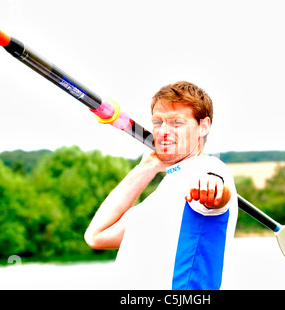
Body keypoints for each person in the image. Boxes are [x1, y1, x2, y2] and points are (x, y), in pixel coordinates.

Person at [84, 81, 238, 289]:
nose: (163, 131)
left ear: (203, 126)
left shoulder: (208, 168)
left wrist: (212, 187)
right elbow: (96, 236)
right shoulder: (161, 194)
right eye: (158, 123)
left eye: (176, 122)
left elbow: (217, 190)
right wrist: (146, 167)